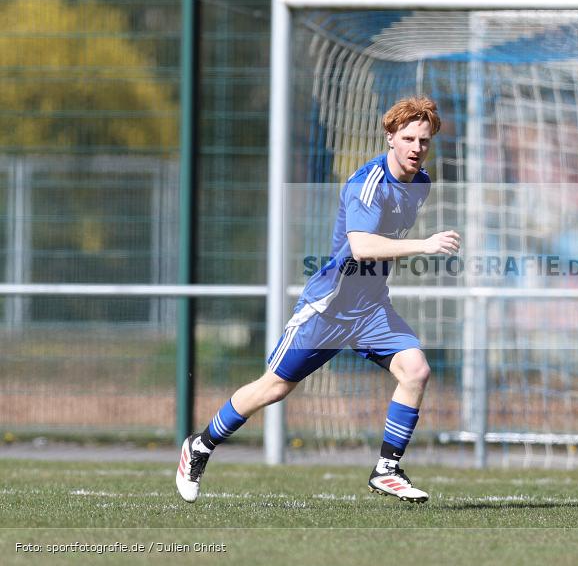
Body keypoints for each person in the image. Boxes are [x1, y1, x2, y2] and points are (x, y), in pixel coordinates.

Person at [176, 96, 460, 504]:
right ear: (389, 137)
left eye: (424, 140)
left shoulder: (421, 184)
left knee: (415, 371)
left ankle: (386, 469)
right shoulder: (368, 183)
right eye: (408, 138)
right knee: (274, 387)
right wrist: (425, 245)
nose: (417, 147)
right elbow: (361, 247)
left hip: (371, 308)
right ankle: (200, 446)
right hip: (329, 308)